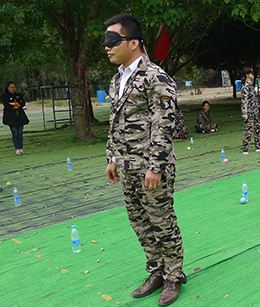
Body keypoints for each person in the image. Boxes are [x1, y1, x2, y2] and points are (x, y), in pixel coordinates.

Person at [103, 13, 185, 306]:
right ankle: (156, 271)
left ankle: (174, 276)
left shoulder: (156, 77)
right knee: (139, 222)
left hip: (151, 167)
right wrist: (112, 157)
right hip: (127, 167)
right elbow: (115, 122)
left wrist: (156, 166)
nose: (107, 47)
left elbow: (164, 124)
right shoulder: (117, 81)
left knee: (162, 222)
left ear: (134, 42)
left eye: (113, 40)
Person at [241, 67, 260, 154]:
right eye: (251, 73)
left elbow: (254, 99)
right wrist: (245, 114)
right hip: (249, 112)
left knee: (258, 128)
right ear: (247, 75)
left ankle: (258, 146)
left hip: (254, 111)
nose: (253, 75)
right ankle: (245, 148)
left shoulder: (251, 86)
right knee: (249, 130)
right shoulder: (246, 87)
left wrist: (259, 107)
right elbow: (244, 101)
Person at [2, 81, 29, 156]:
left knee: (20, 133)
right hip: (11, 117)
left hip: (19, 116)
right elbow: (7, 105)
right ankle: (17, 149)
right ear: (7, 88)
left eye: (14, 87)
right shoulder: (4, 96)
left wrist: (16, 104)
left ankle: (21, 148)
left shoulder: (19, 95)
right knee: (15, 132)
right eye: (11, 87)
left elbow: (22, 103)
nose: (13, 89)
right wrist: (14, 104)